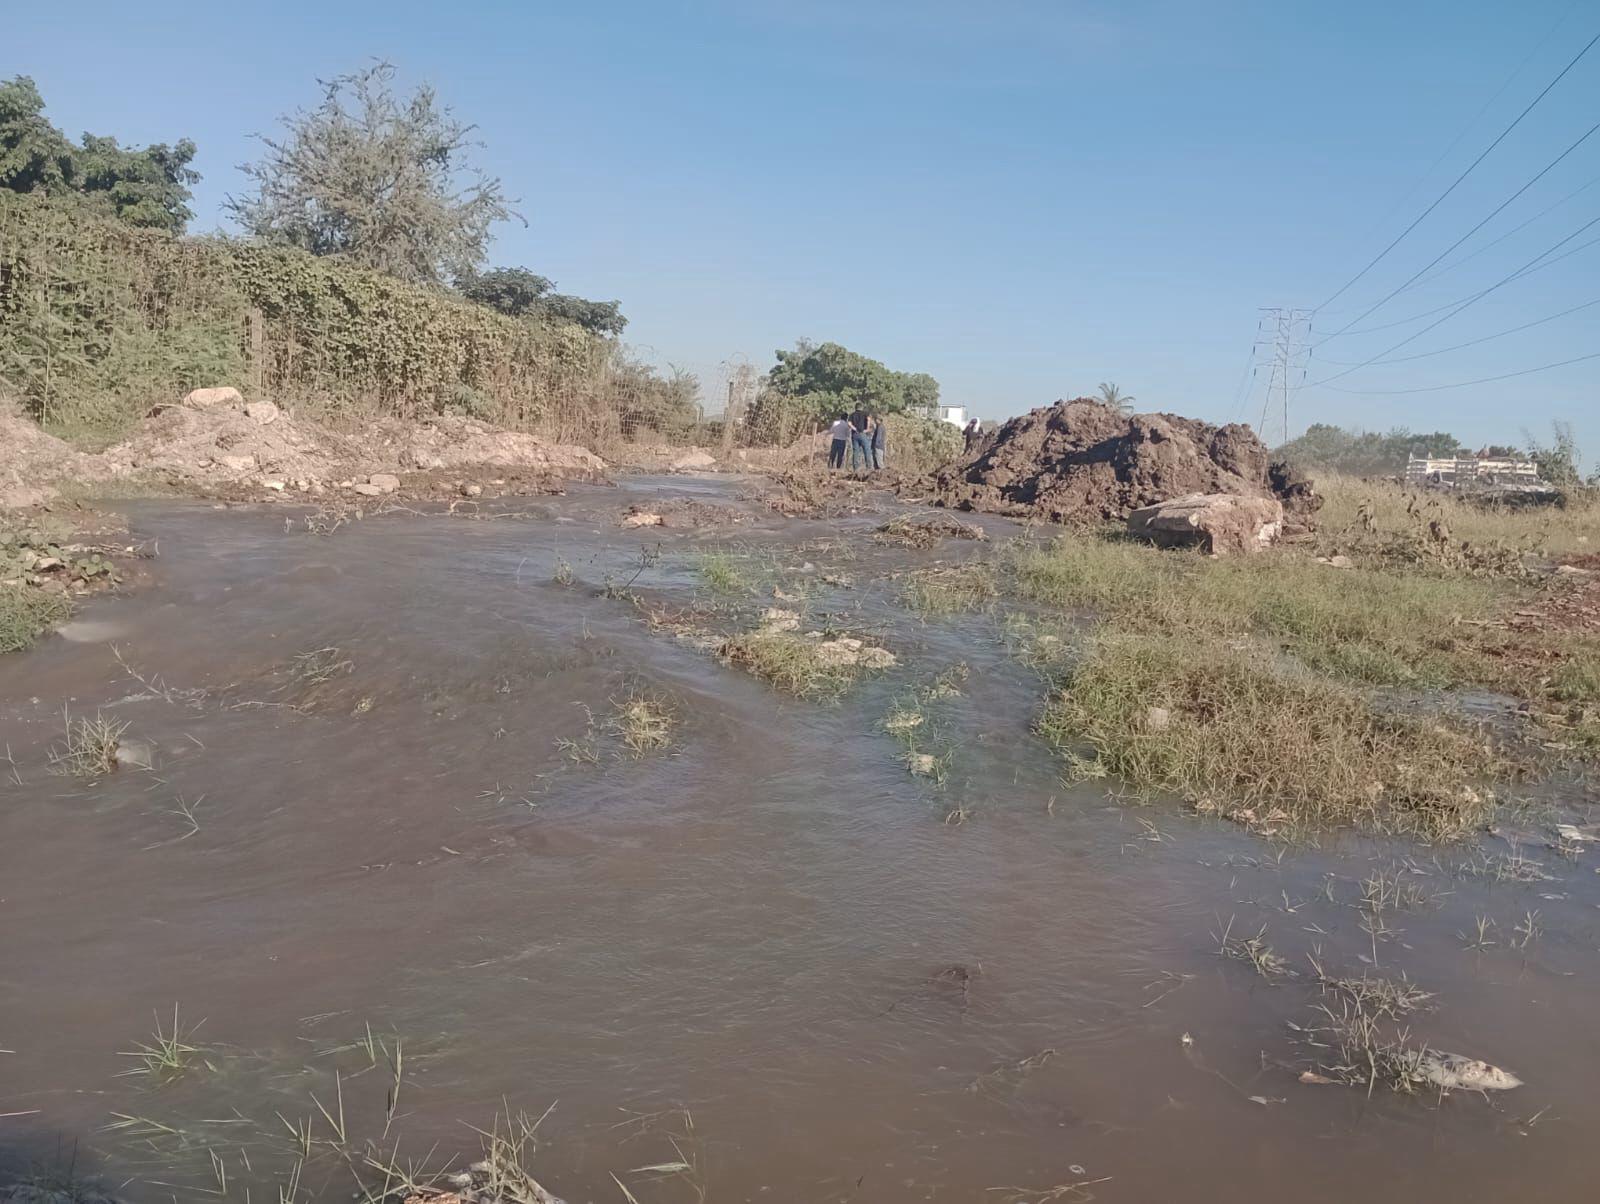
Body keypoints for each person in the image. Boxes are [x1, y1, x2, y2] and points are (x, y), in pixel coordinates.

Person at [849, 406, 872, 472]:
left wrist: (854, 428)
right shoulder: (865, 413)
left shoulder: (852, 414)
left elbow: (849, 423)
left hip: (854, 434)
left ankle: (856, 469)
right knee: (867, 450)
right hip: (862, 433)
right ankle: (868, 467)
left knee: (856, 452)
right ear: (861, 407)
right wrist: (867, 429)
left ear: (855, 408)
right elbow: (868, 419)